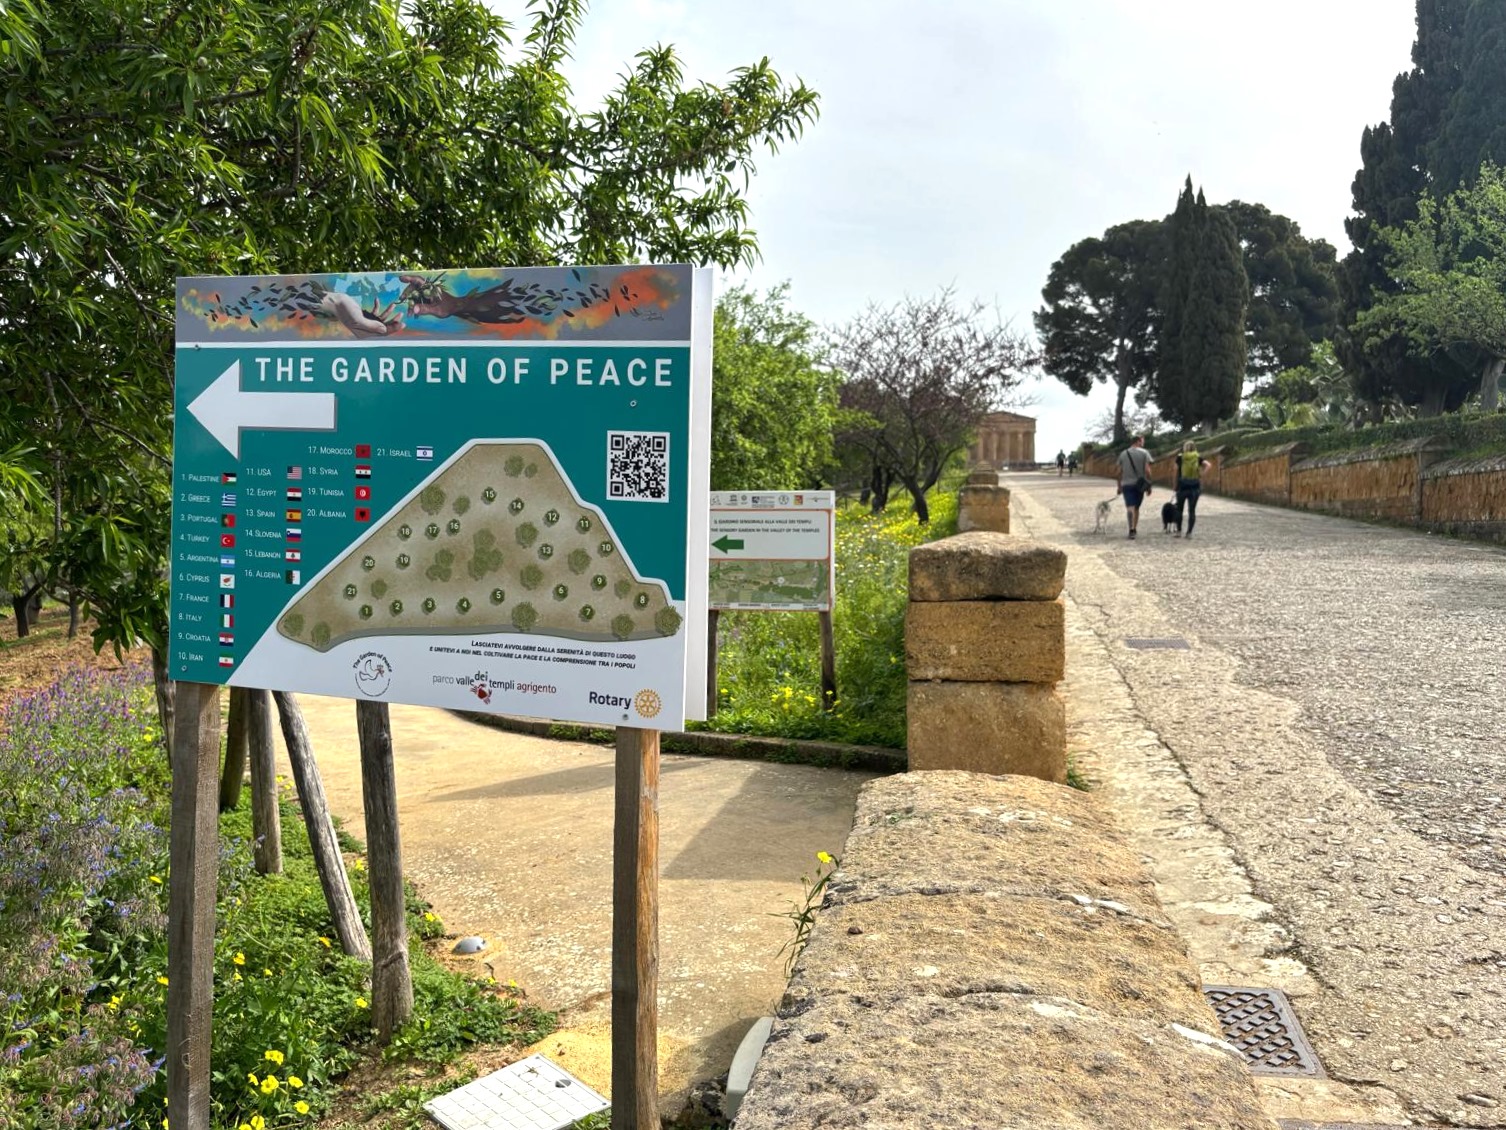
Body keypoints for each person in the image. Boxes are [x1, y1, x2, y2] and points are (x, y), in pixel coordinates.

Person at [1174, 439, 1212, 539]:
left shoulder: (1180, 457)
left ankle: (1178, 531)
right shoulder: (1198, 457)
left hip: (1182, 486)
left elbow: (1175, 471)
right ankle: (1189, 533)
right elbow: (1208, 465)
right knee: (1192, 511)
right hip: (1195, 487)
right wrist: (1201, 474)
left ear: (1185, 448)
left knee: (1179, 510)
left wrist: (1175, 485)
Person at [1116, 435, 1152, 539]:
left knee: (1130, 507)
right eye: (1142, 441)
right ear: (1138, 441)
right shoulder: (1145, 453)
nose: (1143, 443)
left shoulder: (1123, 454)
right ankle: (1134, 528)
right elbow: (1147, 471)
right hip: (1140, 485)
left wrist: (1119, 486)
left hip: (1127, 484)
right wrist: (1149, 485)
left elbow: (1118, 472)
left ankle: (1131, 529)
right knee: (1136, 507)